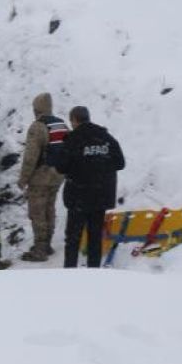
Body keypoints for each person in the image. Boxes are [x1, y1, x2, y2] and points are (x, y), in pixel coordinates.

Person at [56, 106, 126, 269]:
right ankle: (93, 272)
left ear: (74, 120)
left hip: (78, 196)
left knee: (73, 238)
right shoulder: (105, 137)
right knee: (95, 237)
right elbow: (120, 163)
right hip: (100, 196)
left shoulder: (73, 139)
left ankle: (69, 272)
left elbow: (61, 167)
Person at [16, 92, 69, 262]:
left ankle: (40, 249)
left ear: (37, 108)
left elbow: (31, 156)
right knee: (49, 209)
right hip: (58, 175)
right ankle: (47, 244)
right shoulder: (61, 124)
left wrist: (23, 178)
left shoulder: (37, 126)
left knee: (37, 212)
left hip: (41, 176)